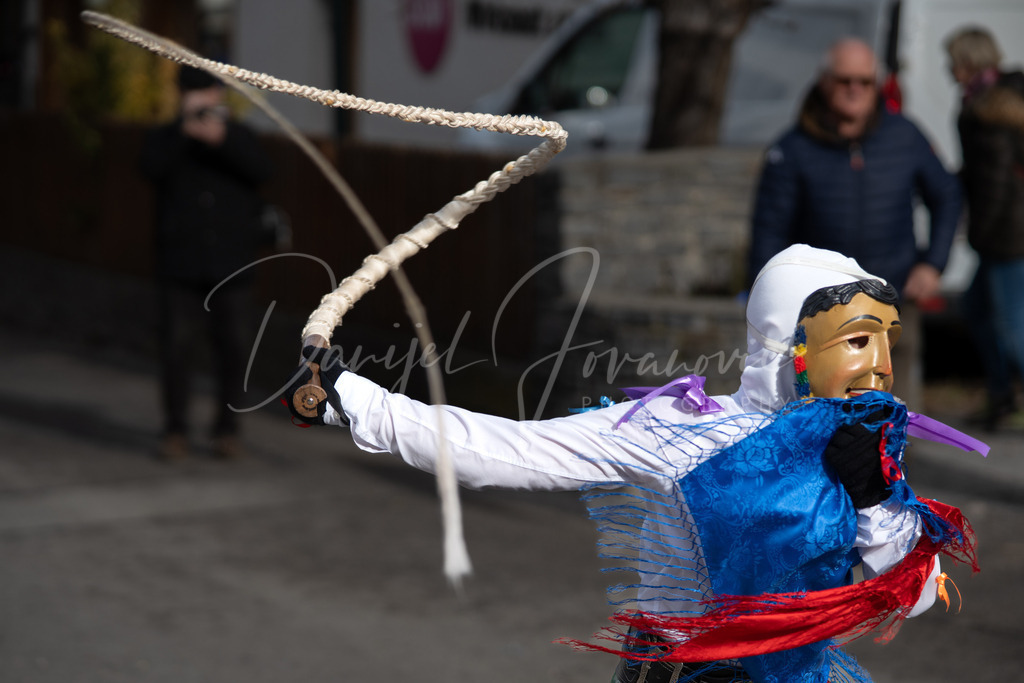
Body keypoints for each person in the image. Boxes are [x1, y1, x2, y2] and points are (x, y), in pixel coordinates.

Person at [284, 245, 981, 683]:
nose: (880, 366)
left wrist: (874, 497)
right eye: (857, 339)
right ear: (790, 343)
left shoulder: (863, 449)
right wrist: (351, 395)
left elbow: (915, 596)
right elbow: (498, 448)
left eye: (883, 341)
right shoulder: (677, 429)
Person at [747, 38, 964, 409]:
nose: (855, 90)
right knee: (820, 417)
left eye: (864, 81)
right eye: (845, 80)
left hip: (891, 301)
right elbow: (769, 231)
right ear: (824, 82)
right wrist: (766, 300)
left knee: (894, 415)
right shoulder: (793, 148)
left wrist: (934, 262)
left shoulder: (904, 136)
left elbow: (947, 195)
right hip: (820, 311)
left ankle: (894, 467)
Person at [140, 66, 274, 460]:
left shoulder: (238, 136)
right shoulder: (167, 137)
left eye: (205, 89)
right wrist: (185, 132)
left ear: (218, 93)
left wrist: (223, 138)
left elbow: (264, 170)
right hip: (180, 264)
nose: (199, 98)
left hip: (231, 264)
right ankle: (175, 430)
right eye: (190, 90)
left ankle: (226, 431)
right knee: (176, 349)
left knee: (232, 348)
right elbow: (149, 169)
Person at [945, 27, 1024, 429]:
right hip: (1008, 230)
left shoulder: (987, 110)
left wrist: (978, 233)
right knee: (975, 309)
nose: (949, 71)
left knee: (1013, 328)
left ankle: (1008, 399)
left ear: (968, 62)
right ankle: (1002, 396)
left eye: (953, 62)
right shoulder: (1000, 99)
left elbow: (994, 181)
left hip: (1007, 235)